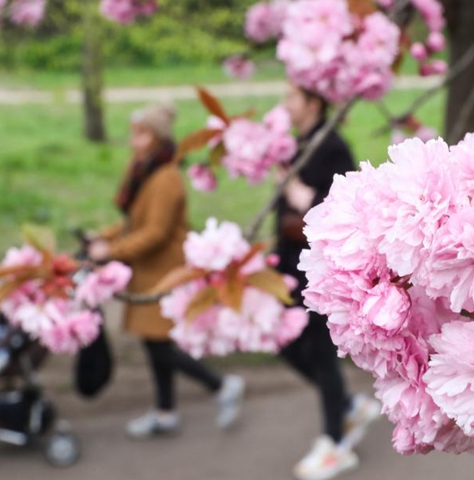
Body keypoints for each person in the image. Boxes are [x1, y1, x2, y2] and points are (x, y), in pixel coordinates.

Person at [89, 104, 244, 438]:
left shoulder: (167, 178)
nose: (134, 140)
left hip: (165, 270)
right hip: (148, 270)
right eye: (133, 132)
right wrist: (105, 236)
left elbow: (156, 233)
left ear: (158, 137)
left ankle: (220, 385)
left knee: (160, 345)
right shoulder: (144, 168)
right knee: (154, 342)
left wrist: (111, 252)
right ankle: (165, 410)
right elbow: (135, 221)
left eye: (141, 133)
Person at [277, 85, 382, 480]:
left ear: (313, 103)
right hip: (290, 264)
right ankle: (347, 408)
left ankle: (335, 445)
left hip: (321, 271)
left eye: (292, 98)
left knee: (322, 354)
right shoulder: (299, 143)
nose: (285, 104)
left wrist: (304, 197)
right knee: (285, 342)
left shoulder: (333, 146)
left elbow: (342, 205)